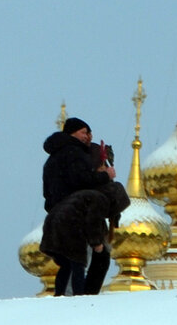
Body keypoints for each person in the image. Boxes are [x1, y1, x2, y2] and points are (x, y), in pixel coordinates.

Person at [40, 117, 124, 296]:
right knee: (80, 261)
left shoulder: (52, 159)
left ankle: (71, 297)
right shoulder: (74, 153)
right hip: (77, 216)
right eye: (84, 132)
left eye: (89, 133)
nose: (88, 136)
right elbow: (81, 180)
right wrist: (105, 176)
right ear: (72, 132)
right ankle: (78, 301)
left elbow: (48, 193)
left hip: (56, 216)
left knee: (70, 264)